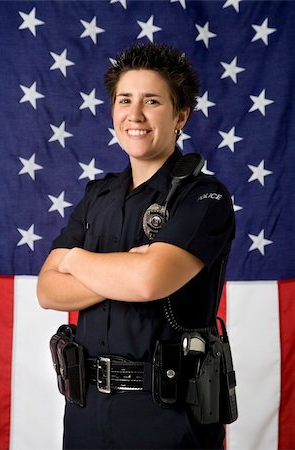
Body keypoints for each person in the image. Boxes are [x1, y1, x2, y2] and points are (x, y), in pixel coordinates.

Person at [37, 42, 235, 449]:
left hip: (168, 415)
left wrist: (75, 262)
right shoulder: (97, 195)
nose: (136, 115)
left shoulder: (204, 197)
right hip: (85, 412)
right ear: (112, 111)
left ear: (180, 116)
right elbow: (47, 290)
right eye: (125, 100)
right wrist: (125, 265)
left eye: (152, 101)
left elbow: (148, 282)